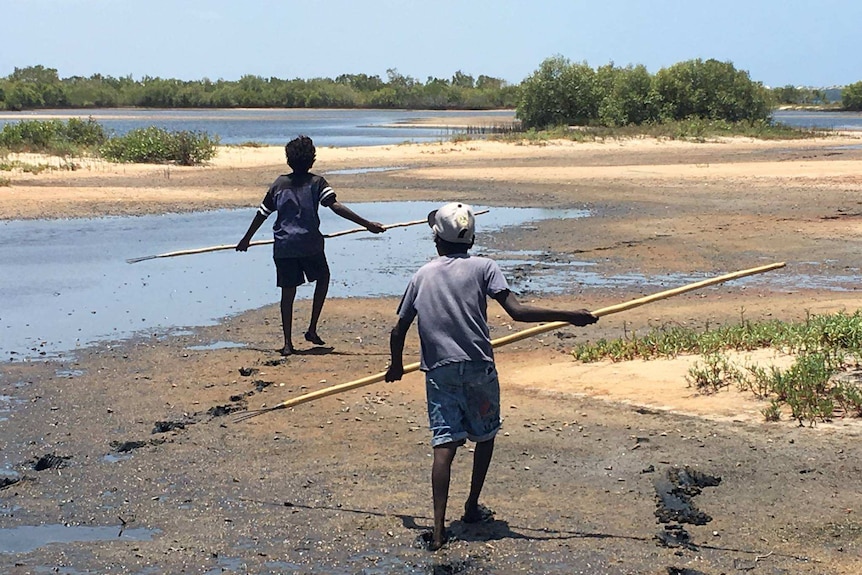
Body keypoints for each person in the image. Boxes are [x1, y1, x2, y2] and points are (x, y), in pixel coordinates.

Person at [384, 201, 598, 551]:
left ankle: (438, 532)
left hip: (440, 371)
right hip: (479, 366)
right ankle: (470, 507)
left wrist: (395, 366)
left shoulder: (421, 275)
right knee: (485, 436)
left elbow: (399, 330)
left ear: (437, 241)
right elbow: (517, 311)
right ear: (470, 241)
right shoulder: (485, 267)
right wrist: (568, 315)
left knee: (444, 445)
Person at [237, 135, 386, 355]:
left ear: (288, 160)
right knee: (323, 278)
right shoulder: (317, 183)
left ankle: (288, 343)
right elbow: (335, 206)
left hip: (284, 246)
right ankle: (312, 329)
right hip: (310, 245)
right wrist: (367, 224)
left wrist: (246, 239)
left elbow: (262, 214)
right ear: (312, 160)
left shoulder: (279, 184)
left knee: (288, 292)